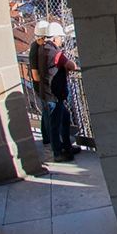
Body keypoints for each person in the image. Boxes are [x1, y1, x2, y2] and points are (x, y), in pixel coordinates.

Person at [38, 22, 81, 162]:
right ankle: (58, 153)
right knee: (56, 124)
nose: (61, 40)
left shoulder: (42, 49)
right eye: (60, 38)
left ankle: (66, 146)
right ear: (55, 37)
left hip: (47, 92)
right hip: (54, 95)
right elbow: (71, 66)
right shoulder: (56, 53)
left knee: (64, 118)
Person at [29, 20, 50, 145]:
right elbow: (35, 76)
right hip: (42, 87)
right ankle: (48, 138)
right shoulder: (35, 50)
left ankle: (47, 138)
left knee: (46, 112)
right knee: (48, 112)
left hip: (43, 87)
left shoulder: (38, 47)